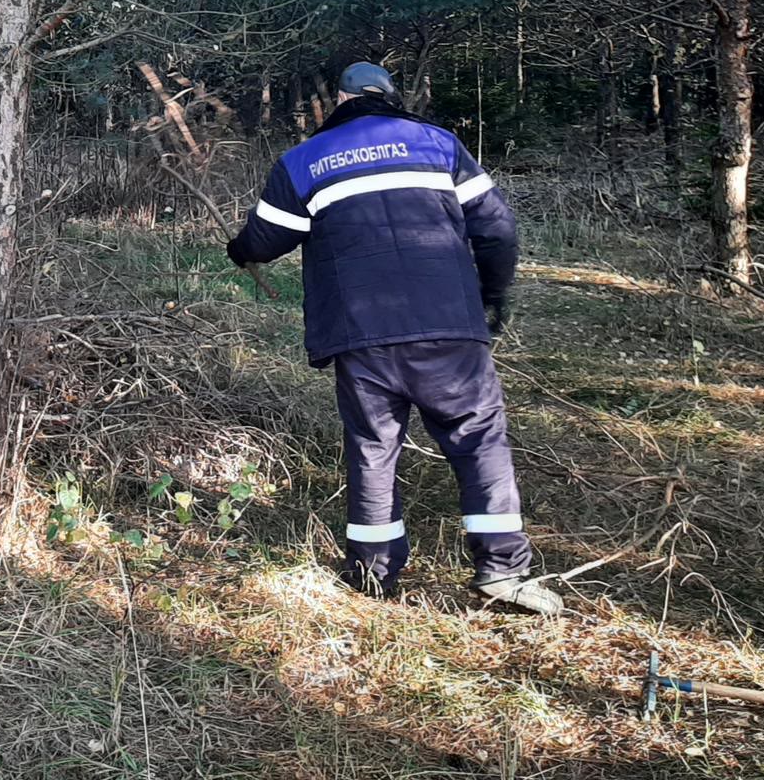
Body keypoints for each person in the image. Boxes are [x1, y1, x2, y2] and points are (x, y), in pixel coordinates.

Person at [225, 61, 562, 616]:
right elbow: (497, 228)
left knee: (373, 448)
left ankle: (372, 573)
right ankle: (502, 571)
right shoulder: (440, 145)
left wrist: (239, 250)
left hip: (361, 335)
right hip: (449, 326)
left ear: (338, 99)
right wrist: (492, 296)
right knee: (478, 440)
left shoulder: (304, 160)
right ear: (391, 96)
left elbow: (264, 241)